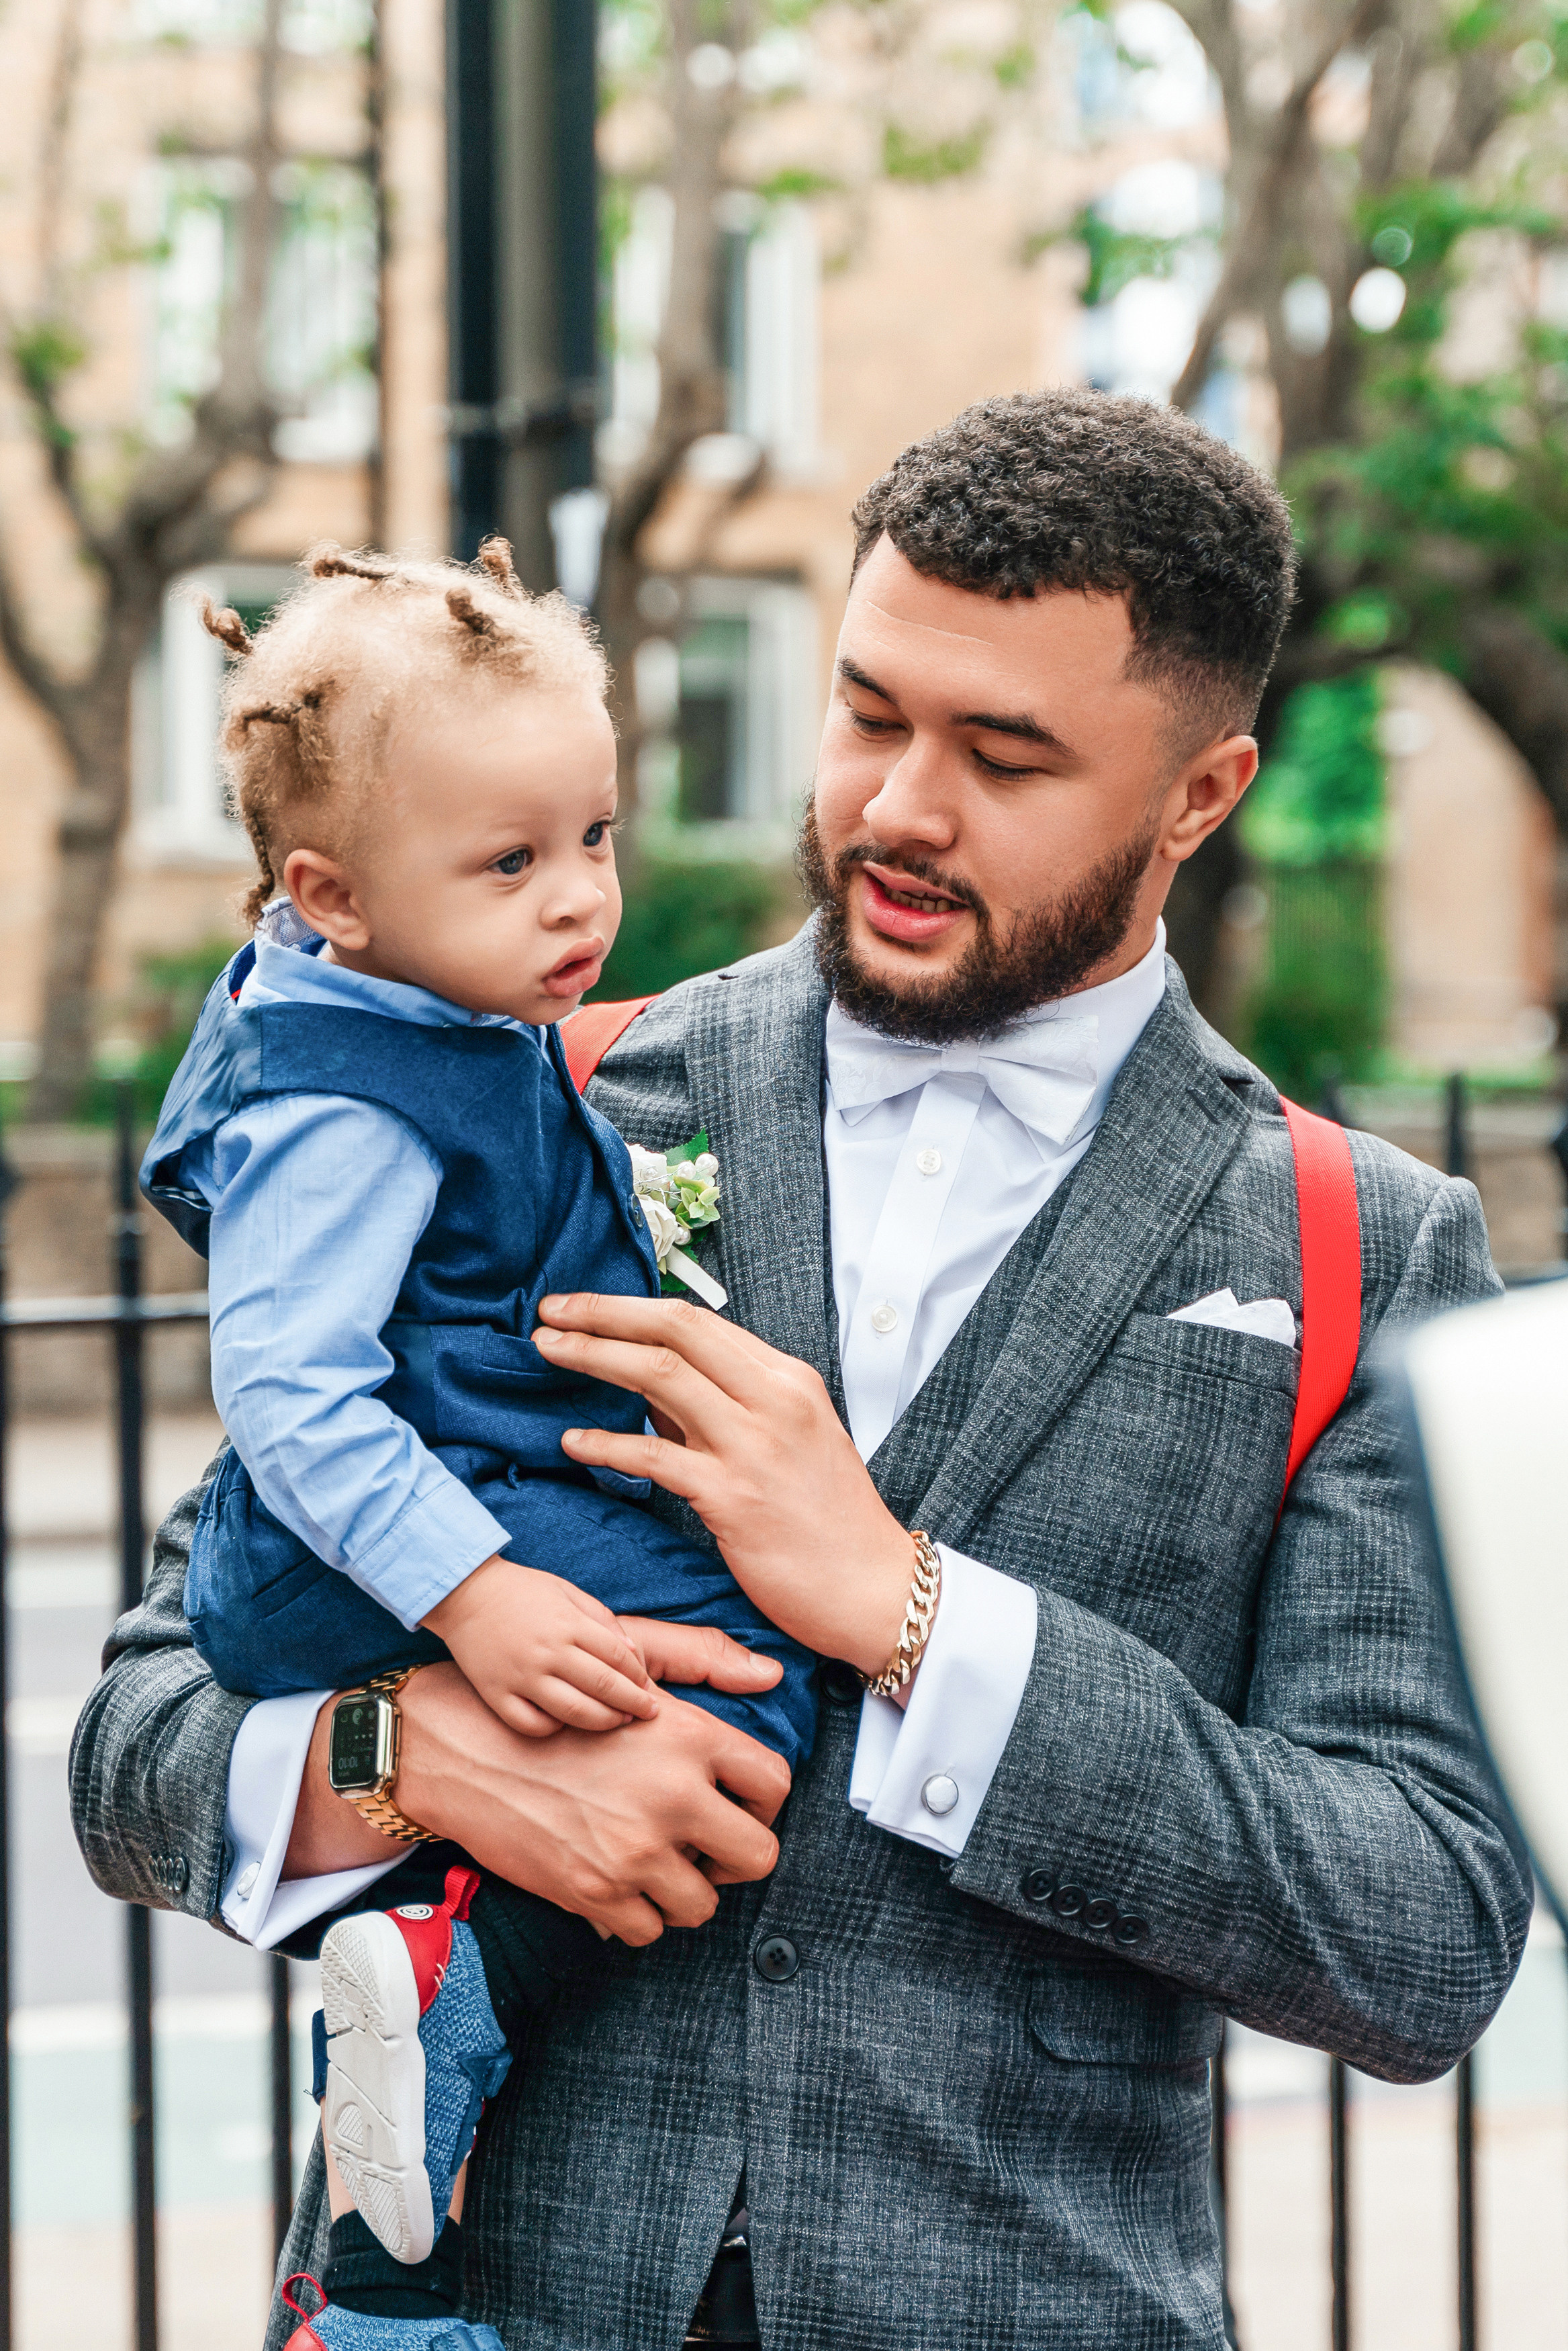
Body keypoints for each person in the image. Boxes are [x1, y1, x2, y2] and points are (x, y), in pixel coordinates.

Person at [73, 389, 1532, 2351]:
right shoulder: (537, 1092)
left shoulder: (1363, 1245)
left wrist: (920, 1615)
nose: (897, 808)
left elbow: (1422, 1933)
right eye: (866, 714)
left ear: (1201, 792)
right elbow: (134, 1745)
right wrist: (415, 1757)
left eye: (1006, 756)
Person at [133, 542, 815, 2349]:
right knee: (746, 1689)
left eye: (592, 834)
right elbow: (287, 1399)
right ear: (328, 892)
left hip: (447, 1505)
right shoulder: (348, 1096)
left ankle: (382, 2268)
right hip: (387, 1541)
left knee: (665, 1715)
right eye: (509, 862)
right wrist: (479, 1602)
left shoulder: (432, 1012)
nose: (579, 899)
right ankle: (454, 2009)